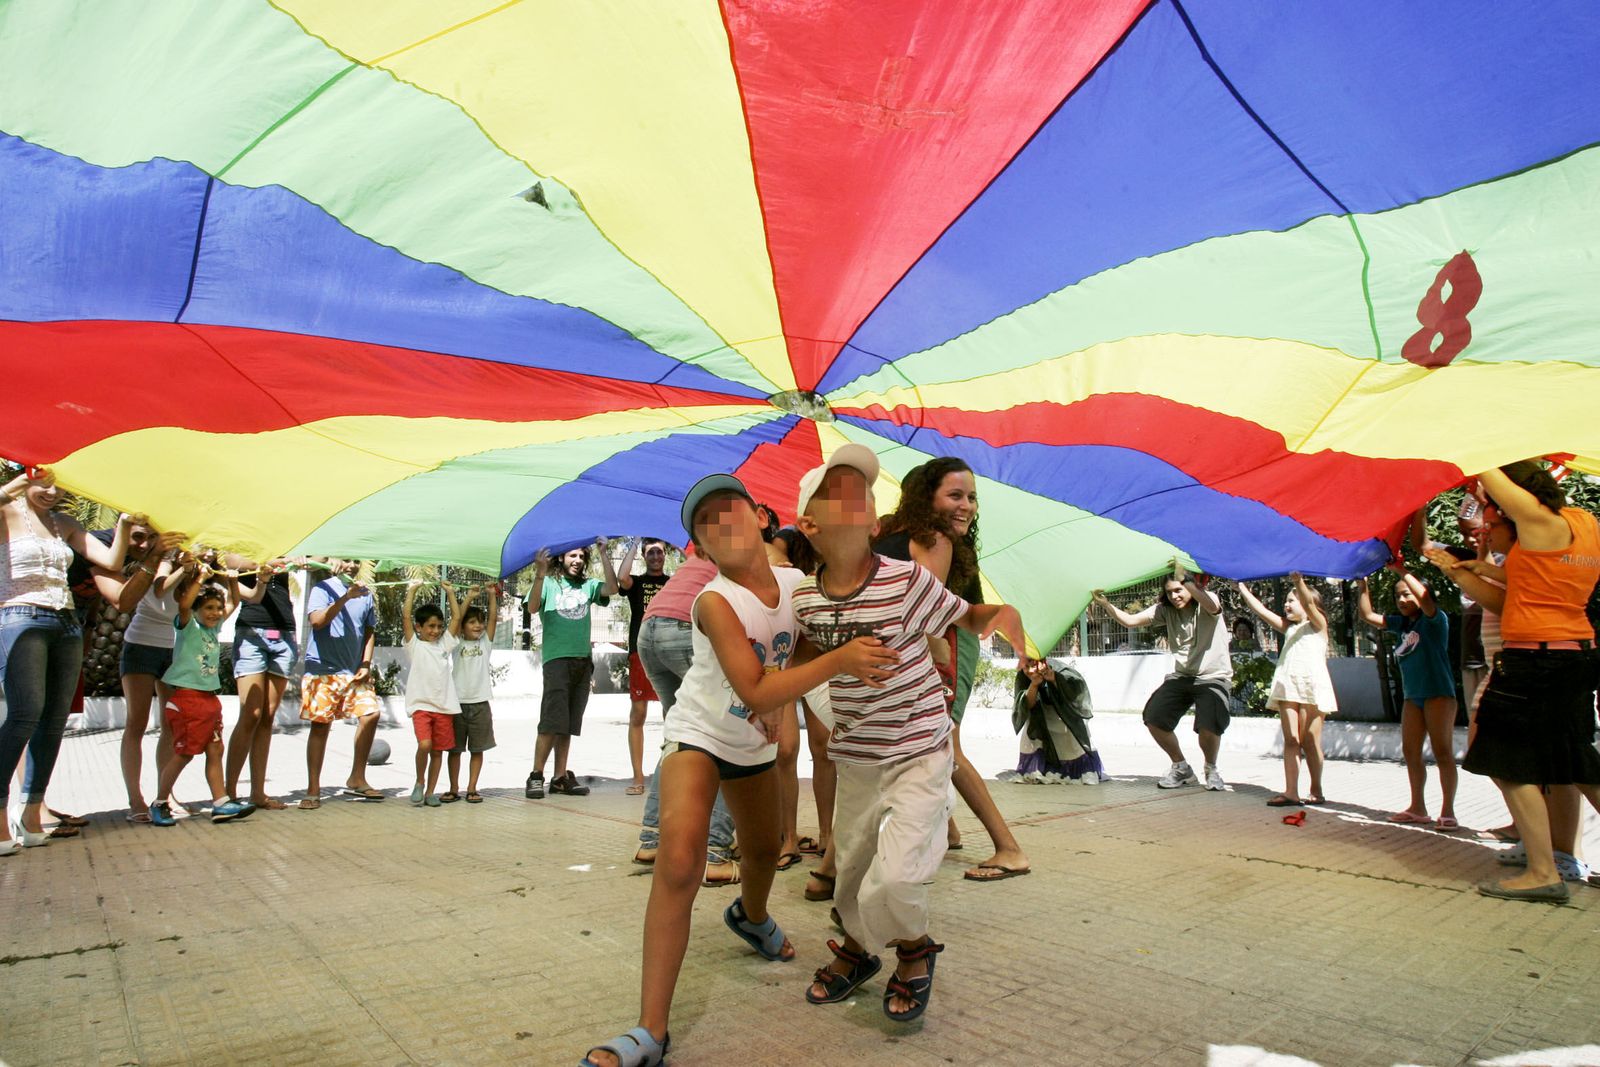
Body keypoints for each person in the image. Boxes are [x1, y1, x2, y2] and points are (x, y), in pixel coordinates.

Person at [579, 474, 896, 1067]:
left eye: (732, 512)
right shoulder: (713, 601)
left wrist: (843, 708)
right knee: (679, 861)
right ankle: (651, 1031)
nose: (723, 525)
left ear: (761, 517)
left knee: (760, 851)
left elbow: (803, 648)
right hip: (698, 736)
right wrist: (834, 664)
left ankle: (750, 919)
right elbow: (753, 689)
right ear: (698, 548)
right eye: (707, 524)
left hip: (752, 750)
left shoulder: (798, 585)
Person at [792, 445, 1031, 1023]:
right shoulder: (804, 597)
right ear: (809, 524)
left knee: (897, 875)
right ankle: (858, 949)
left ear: (875, 523)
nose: (853, 503)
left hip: (919, 747)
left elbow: (958, 617)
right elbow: (800, 659)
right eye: (837, 495)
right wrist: (772, 704)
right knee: (849, 870)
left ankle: (914, 950)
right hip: (857, 757)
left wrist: (999, 620)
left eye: (862, 495)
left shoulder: (904, 579)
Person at [874, 456, 1032, 883]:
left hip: (945, 644)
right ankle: (947, 826)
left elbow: (941, 611)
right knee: (926, 744)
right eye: (956, 496)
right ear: (925, 498)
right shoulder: (909, 536)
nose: (967, 506)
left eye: (971, 498)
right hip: (927, 643)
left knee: (946, 747)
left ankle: (1009, 848)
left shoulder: (938, 540)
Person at [1456, 461, 1600, 903]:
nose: (1491, 518)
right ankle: (1547, 862)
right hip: (1574, 655)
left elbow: (1486, 465)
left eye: (1495, 511)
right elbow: (1520, 591)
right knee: (1579, 763)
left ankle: (1543, 872)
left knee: (1503, 757)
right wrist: (1463, 572)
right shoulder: (1583, 524)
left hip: (1534, 660)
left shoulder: (1535, 520)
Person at [2, 467, 136, 852]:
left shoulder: (64, 523)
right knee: (24, 714)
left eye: (59, 483)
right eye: (43, 481)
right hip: (19, 615)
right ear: (27, 476)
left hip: (66, 623)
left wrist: (124, 523)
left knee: (54, 720)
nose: (51, 490)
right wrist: (15, 487)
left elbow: (110, 561)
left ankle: (30, 815)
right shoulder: (7, 509)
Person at [633, 547, 740, 886]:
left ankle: (652, 839)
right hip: (683, 629)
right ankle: (713, 851)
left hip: (649, 632)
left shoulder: (700, 557)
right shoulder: (743, 554)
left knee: (679, 735)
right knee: (726, 734)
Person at [1092, 560, 1234, 792]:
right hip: (1182, 676)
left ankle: (1211, 768)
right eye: (1169, 592)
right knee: (1154, 717)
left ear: (1190, 586)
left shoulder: (1208, 601)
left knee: (1209, 724)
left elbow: (1211, 607)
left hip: (1213, 677)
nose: (1175, 596)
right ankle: (1181, 768)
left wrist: (1185, 578)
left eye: (1179, 590)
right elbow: (1130, 620)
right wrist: (1105, 604)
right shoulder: (1165, 611)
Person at [148, 568, 254, 826]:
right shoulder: (188, 626)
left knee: (215, 749)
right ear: (196, 610)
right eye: (208, 607)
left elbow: (235, 602)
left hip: (208, 699)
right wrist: (200, 578)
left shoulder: (214, 630)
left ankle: (220, 802)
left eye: (218, 608)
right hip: (186, 699)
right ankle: (160, 802)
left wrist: (231, 579)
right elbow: (183, 603)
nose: (215, 612)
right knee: (185, 753)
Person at [1356, 567, 1459, 829]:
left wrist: (1400, 569)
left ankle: (1448, 812)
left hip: (1439, 695)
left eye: (1407, 594)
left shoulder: (1435, 620)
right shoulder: (1402, 624)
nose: (1402, 600)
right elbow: (1367, 615)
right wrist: (1363, 584)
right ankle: (1418, 808)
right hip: (1413, 698)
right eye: (1398, 595)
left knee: (1442, 752)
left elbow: (1425, 599)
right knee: (1411, 752)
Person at [526, 540, 618, 799]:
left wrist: (603, 552)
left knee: (567, 725)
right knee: (550, 722)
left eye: (581, 556)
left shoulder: (588, 586)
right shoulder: (550, 584)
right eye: (572, 555)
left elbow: (612, 588)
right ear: (561, 558)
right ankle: (536, 776)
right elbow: (532, 607)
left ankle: (559, 778)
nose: (577, 560)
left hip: (582, 662)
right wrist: (540, 574)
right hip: (557, 660)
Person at [1237, 574, 1337, 806]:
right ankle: (1291, 791)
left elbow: (1310, 605)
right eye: (1287, 601)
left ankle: (1316, 789)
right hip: (1288, 686)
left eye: (1293, 600)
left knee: (1310, 740)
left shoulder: (1318, 625)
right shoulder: (1290, 629)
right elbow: (1261, 611)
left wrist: (1298, 582)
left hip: (1311, 688)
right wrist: (1241, 588)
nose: (1287, 604)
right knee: (1291, 739)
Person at [299, 559, 383, 809]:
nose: (350, 565)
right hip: (322, 670)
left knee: (371, 714)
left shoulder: (366, 594)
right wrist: (345, 597)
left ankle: (357, 778)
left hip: (354, 671)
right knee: (320, 726)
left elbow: (369, 631)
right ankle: (313, 789)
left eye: (355, 561)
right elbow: (317, 621)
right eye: (345, 560)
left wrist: (366, 664)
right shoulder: (322, 588)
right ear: (335, 561)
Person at [225, 558, 297, 810]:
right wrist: (271, 560)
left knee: (266, 717)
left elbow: (316, 557)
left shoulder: (288, 540)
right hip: (252, 633)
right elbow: (229, 558)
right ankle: (228, 794)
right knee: (250, 715)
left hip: (285, 634)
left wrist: (317, 558)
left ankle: (258, 793)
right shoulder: (248, 540)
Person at [618, 539, 669, 795]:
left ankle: (670, 773)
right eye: (651, 552)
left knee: (671, 714)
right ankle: (638, 777)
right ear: (644, 556)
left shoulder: (673, 583)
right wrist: (635, 542)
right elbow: (621, 576)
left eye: (660, 551)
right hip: (640, 653)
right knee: (638, 714)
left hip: (668, 653)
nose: (656, 556)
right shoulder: (636, 583)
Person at [402, 582, 460, 808]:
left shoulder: (443, 645)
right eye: (430, 626)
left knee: (438, 752)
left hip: (444, 708)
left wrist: (450, 593)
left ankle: (430, 792)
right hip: (421, 707)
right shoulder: (414, 645)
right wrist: (413, 591)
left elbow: (456, 619)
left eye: (438, 626)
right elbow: (406, 616)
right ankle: (419, 781)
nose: (435, 631)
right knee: (425, 745)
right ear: (419, 627)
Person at [1011, 658, 1104, 783]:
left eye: (1032, 665)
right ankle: (1039, 769)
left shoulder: (1059, 668)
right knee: (1031, 730)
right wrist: (1034, 684)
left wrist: (1054, 678)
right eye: (1025, 667)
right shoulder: (1023, 677)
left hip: (1064, 718)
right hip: (1041, 719)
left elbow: (1076, 690)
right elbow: (1025, 705)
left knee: (1072, 743)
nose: (1029, 670)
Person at [447, 584, 498, 804]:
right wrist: (468, 597)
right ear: (463, 627)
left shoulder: (485, 643)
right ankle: (453, 788)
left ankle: (472, 788)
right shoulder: (456, 644)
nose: (478, 625)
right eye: (472, 622)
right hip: (456, 705)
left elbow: (494, 620)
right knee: (455, 750)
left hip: (480, 705)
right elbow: (456, 619)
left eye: (480, 621)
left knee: (478, 749)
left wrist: (492, 596)